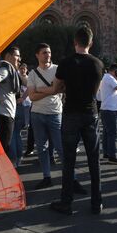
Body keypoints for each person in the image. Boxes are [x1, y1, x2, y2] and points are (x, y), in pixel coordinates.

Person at [48, 27, 104, 215]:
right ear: (91, 43)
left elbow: (56, 88)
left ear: (75, 42)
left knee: (69, 160)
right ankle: (97, 203)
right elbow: (95, 91)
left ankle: (66, 202)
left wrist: (68, 87)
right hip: (91, 113)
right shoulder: (98, 64)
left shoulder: (65, 63)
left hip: (71, 113)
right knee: (93, 159)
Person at [27, 43, 86, 194]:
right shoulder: (33, 73)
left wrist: (42, 89)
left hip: (55, 113)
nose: (47, 55)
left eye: (49, 52)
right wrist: (51, 90)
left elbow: (62, 88)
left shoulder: (58, 69)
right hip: (37, 114)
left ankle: (72, 179)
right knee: (42, 148)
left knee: (61, 148)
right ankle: (46, 177)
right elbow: (32, 97)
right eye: (44, 53)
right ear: (37, 55)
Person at [0, 46, 22, 154]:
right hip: (3, 116)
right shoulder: (5, 69)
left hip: (5, 114)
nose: (19, 59)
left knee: (3, 149)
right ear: (8, 56)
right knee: (3, 150)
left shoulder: (10, 71)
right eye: (17, 55)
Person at [99, 64, 117, 165]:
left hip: (107, 108)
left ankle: (107, 154)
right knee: (111, 134)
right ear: (115, 71)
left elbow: (110, 93)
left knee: (107, 133)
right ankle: (112, 156)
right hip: (109, 110)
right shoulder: (110, 78)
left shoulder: (106, 77)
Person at [8, 63, 29, 167]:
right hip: (19, 106)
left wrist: (23, 98)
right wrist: (23, 98)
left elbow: (29, 86)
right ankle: (19, 157)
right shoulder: (19, 74)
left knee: (13, 134)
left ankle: (14, 159)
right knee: (17, 134)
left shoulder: (10, 72)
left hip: (12, 106)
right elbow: (30, 85)